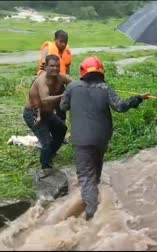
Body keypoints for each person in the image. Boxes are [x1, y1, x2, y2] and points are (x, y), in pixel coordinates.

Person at [60, 56, 150, 220]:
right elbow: (121, 107)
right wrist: (137, 99)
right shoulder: (105, 88)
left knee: (86, 177)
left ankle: (92, 215)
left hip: (81, 140)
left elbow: (62, 106)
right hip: (101, 139)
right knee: (95, 173)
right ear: (101, 72)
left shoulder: (72, 87)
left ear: (82, 72)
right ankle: (96, 204)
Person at [23, 55, 70, 170]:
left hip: (47, 114)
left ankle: (50, 154)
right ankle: (46, 169)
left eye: (57, 66)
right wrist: (64, 95)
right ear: (46, 67)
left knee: (61, 129)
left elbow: (74, 83)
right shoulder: (42, 81)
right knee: (46, 142)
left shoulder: (60, 77)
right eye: (52, 66)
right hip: (34, 114)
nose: (55, 68)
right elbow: (45, 99)